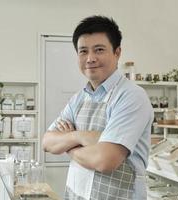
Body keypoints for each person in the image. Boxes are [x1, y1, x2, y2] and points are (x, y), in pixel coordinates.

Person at [42, 15, 154, 199]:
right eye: (83, 51)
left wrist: (68, 146)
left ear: (117, 52)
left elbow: (105, 160)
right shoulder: (79, 98)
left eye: (99, 50)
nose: (90, 58)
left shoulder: (131, 96)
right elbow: (47, 142)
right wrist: (80, 136)